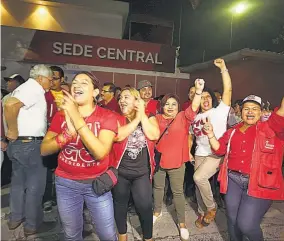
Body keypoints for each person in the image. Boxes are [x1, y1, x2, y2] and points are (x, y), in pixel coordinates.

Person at [40, 71, 118, 241]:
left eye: (84, 82)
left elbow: (100, 152)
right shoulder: (60, 116)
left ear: (95, 92)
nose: (77, 85)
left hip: (97, 184)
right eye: (74, 82)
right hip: (66, 184)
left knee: (107, 235)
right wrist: (66, 135)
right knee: (71, 233)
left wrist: (75, 117)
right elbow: (44, 149)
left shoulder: (108, 117)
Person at [203, 95, 284, 241]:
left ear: (261, 112)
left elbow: (282, 112)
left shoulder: (270, 128)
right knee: (232, 221)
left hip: (259, 183)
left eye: (255, 109)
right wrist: (210, 135)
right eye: (246, 108)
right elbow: (219, 149)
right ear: (240, 111)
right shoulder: (233, 131)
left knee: (246, 225)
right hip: (233, 181)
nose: (250, 112)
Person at [4, 65, 54, 236]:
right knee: (35, 186)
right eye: (50, 79)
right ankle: (32, 224)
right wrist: (12, 130)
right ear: (41, 78)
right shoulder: (34, 88)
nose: (51, 82)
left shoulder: (22, 89)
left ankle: (15, 218)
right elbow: (10, 105)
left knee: (18, 183)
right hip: (30, 144)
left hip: (19, 144)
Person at [153, 79, 204, 240]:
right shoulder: (156, 118)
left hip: (176, 163)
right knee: (158, 188)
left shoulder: (183, 117)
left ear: (178, 106)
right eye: (167, 104)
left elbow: (194, 106)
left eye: (173, 104)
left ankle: (182, 223)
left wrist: (198, 91)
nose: (170, 107)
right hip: (159, 162)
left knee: (178, 192)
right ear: (162, 106)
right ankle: (157, 211)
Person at [111, 87, 160, 241]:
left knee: (145, 206)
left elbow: (154, 134)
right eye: (120, 98)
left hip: (142, 173)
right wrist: (137, 119)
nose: (121, 100)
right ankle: (122, 236)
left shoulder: (149, 117)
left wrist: (141, 115)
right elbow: (118, 136)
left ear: (136, 101)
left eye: (126, 97)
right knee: (120, 206)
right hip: (120, 172)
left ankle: (148, 237)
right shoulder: (116, 118)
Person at [190, 58, 232, 228]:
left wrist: (223, 68)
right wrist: (188, 151)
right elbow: (191, 136)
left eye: (209, 97)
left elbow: (228, 89)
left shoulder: (219, 111)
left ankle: (211, 207)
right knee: (198, 186)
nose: (206, 100)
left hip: (216, 152)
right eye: (202, 97)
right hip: (199, 153)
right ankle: (203, 213)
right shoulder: (194, 116)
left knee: (198, 177)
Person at [43, 65, 66, 213]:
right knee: (47, 171)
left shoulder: (67, 95)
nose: (52, 82)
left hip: (65, 139)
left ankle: (61, 197)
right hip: (49, 138)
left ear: (62, 79)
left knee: (62, 170)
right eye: (50, 78)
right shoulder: (43, 95)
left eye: (55, 78)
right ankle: (47, 199)